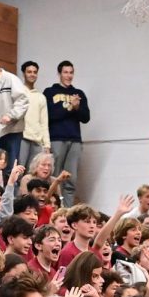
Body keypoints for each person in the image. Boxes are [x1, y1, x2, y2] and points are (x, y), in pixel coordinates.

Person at [44, 61, 89, 205]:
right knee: (54, 176)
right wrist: (70, 107)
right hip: (56, 138)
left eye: (71, 72)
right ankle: (53, 207)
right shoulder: (50, 92)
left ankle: (68, 212)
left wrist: (77, 108)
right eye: (65, 72)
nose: (69, 76)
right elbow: (50, 115)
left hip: (75, 139)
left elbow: (85, 117)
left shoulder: (79, 93)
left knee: (71, 178)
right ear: (59, 74)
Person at [18, 61, 51, 169]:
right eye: (29, 72)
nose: (32, 74)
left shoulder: (41, 97)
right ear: (24, 73)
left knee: (33, 173)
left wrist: (46, 144)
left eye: (35, 72)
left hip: (37, 140)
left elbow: (44, 123)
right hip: (22, 137)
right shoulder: (18, 91)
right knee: (19, 170)